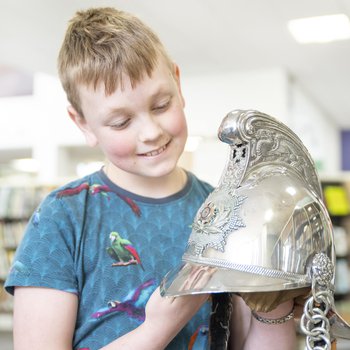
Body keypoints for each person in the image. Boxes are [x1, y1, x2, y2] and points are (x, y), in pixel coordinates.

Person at [4, 7, 296, 349]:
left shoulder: (227, 211)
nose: (151, 132)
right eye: (120, 122)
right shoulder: (61, 217)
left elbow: (251, 338)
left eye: (161, 105)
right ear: (83, 123)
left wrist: (278, 297)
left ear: (178, 82)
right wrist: (159, 327)